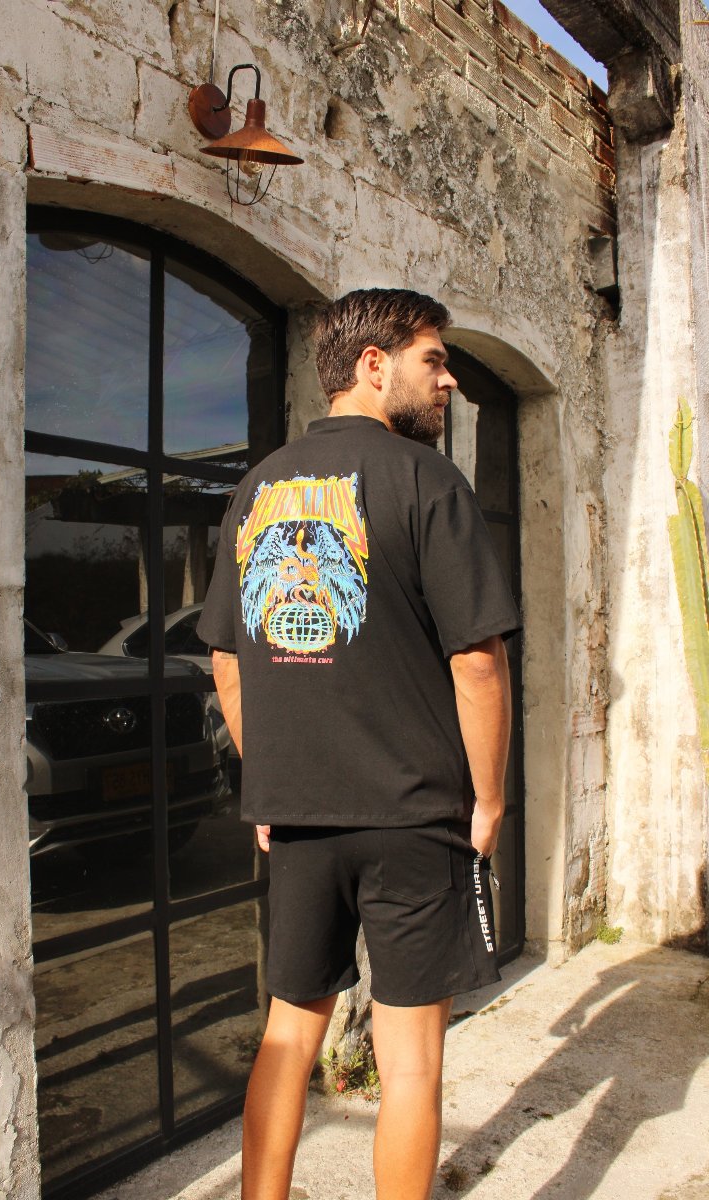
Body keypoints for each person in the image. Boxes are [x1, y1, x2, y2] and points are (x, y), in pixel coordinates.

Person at [196, 288, 520, 1200]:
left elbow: (227, 659)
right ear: (374, 365)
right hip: (415, 817)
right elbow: (478, 662)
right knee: (410, 1063)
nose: (449, 380)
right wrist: (489, 800)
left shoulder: (257, 488)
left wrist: (270, 783)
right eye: (434, 360)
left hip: (300, 820)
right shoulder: (428, 482)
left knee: (288, 1037)